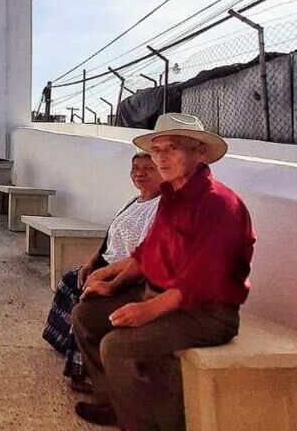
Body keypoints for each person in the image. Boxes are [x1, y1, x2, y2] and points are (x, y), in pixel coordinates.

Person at [72, 114, 255, 431]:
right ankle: (116, 404)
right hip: (161, 298)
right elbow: (145, 256)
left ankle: (146, 424)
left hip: (205, 314)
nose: (161, 157)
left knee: (117, 346)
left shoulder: (219, 204)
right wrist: (110, 281)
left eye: (172, 148)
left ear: (199, 152)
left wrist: (145, 310)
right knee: (85, 315)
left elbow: (201, 281)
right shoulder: (170, 197)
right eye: (156, 149)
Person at [42, 152, 163, 394]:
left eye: (148, 168)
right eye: (135, 168)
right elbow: (109, 238)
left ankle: (83, 371)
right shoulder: (132, 202)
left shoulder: (161, 207)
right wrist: (90, 264)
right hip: (106, 265)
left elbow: (142, 257)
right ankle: (67, 345)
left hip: (128, 273)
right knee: (70, 279)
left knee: (87, 300)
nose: (139, 173)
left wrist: (108, 277)